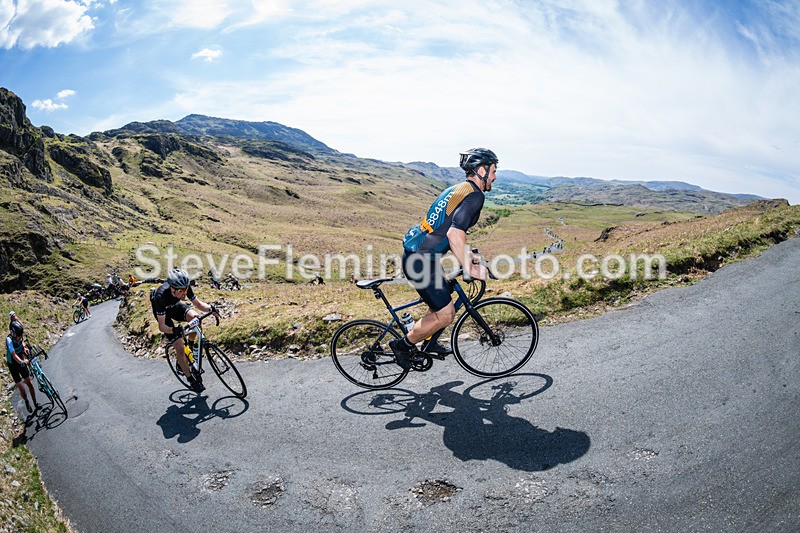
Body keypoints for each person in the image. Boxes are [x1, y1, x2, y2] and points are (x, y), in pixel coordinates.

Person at [391, 148, 496, 369]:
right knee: (446, 314)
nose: (495, 177)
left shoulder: (459, 189)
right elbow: (454, 233)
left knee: (444, 297)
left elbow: (446, 228)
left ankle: (430, 341)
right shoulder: (474, 195)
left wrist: (468, 255)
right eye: (493, 171)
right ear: (481, 170)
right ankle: (402, 346)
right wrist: (470, 268)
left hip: (421, 257)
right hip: (420, 261)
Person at [150, 268, 220, 393]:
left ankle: (192, 348)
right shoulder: (159, 297)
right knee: (179, 345)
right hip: (164, 315)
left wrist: (211, 309)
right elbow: (162, 326)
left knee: (195, 318)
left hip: (175, 307)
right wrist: (174, 330)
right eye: (181, 291)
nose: (184, 293)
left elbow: (198, 305)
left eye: (186, 290)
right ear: (172, 289)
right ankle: (190, 380)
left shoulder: (184, 287)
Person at [5, 321, 39, 413]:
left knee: (30, 384)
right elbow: (13, 354)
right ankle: (26, 401)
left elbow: (22, 341)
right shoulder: (9, 340)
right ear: (13, 333)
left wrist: (24, 348)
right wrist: (21, 362)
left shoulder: (19, 335)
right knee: (22, 389)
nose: (20, 337)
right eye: (18, 335)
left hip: (21, 359)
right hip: (13, 364)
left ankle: (35, 402)